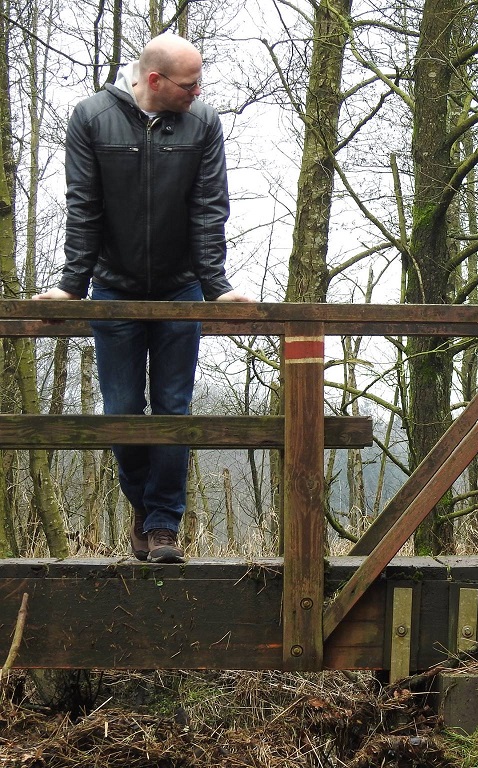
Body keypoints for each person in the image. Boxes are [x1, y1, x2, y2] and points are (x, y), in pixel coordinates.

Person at [33, 33, 254, 563]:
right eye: (189, 84)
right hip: (115, 286)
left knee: (174, 407)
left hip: (182, 286)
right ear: (155, 80)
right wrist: (71, 284)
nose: (198, 93)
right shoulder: (91, 118)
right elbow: (83, 206)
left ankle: (162, 527)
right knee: (124, 409)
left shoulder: (202, 124)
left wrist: (217, 286)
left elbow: (209, 209)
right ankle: (141, 505)